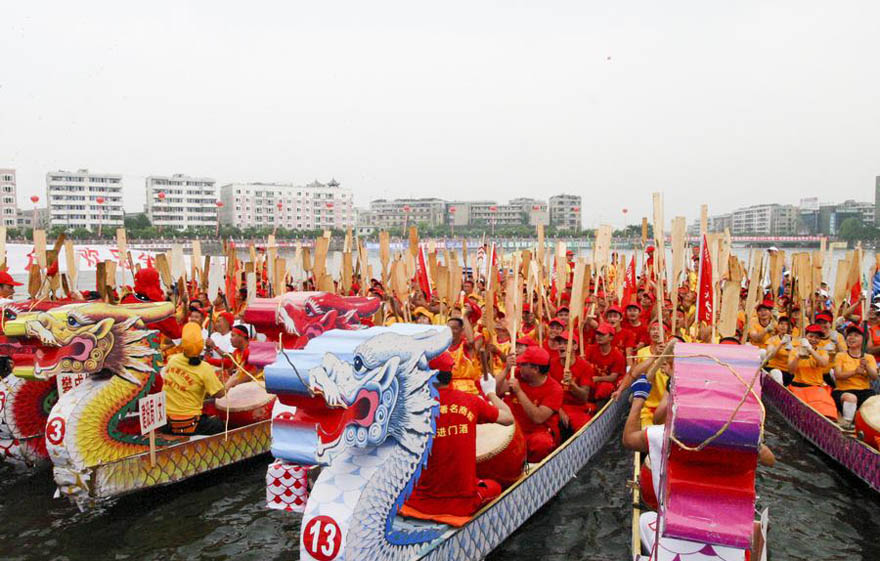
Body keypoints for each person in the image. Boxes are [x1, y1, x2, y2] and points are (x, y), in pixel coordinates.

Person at [403, 352, 514, 519]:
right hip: (461, 504)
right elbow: (508, 419)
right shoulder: (470, 401)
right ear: (451, 374)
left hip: (419, 502)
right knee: (495, 486)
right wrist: (490, 392)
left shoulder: (411, 408)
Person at [497, 346, 562, 463]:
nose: (519, 366)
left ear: (535, 369)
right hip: (513, 429)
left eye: (523, 364)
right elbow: (496, 392)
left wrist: (519, 391)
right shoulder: (516, 374)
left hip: (537, 433)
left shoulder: (555, 389)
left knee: (541, 443)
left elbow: (538, 418)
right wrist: (506, 370)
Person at [161, 323, 226, 435]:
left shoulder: (172, 360)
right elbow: (220, 394)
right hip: (189, 424)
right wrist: (230, 385)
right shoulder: (204, 368)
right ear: (201, 343)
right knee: (220, 424)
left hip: (166, 423)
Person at [831, 324, 878, 427]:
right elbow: (838, 375)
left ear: (863, 340)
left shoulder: (869, 357)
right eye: (849, 335)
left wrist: (867, 366)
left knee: (875, 402)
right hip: (843, 391)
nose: (851, 337)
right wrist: (855, 371)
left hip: (864, 391)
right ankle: (847, 425)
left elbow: (874, 376)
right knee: (851, 398)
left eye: (856, 335)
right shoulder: (841, 356)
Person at [548, 331, 595, 431]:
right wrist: (560, 410)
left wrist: (572, 385)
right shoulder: (551, 363)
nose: (561, 346)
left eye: (565, 343)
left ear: (575, 347)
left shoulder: (585, 366)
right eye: (559, 343)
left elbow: (584, 397)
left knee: (583, 428)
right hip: (555, 407)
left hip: (577, 407)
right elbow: (547, 393)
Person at [585, 323, 627, 400]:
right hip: (592, 381)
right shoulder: (590, 349)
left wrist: (597, 378)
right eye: (597, 334)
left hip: (607, 385)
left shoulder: (618, 355)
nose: (598, 336)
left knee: (605, 387)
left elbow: (613, 377)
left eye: (602, 334)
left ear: (611, 337)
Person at [447, 317, 480, 395]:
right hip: (448, 388)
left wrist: (465, 317)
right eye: (448, 329)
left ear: (461, 331)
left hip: (466, 389)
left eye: (454, 328)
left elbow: (471, 341)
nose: (451, 331)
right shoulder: (442, 348)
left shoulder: (465, 346)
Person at [764, 316, 795, 386]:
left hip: (788, 373)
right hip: (772, 368)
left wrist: (791, 350)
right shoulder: (772, 339)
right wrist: (780, 344)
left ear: (792, 328)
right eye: (781, 323)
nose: (783, 326)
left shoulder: (797, 342)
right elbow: (769, 356)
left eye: (787, 324)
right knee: (776, 374)